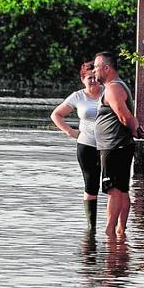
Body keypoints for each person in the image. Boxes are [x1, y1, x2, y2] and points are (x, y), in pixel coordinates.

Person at [51, 62, 104, 229]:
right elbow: (56, 115)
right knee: (91, 183)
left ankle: (113, 226)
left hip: (108, 144)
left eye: (96, 77)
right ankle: (91, 227)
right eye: (90, 78)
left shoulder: (108, 92)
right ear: (83, 80)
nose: (93, 81)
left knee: (111, 185)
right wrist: (70, 131)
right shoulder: (78, 96)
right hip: (86, 145)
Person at [94, 52, 140, 240]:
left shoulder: (113, 88)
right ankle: (120, 231)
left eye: (96, 67)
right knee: (121, 188)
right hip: (118, 145)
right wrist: (137, 130)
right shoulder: (116, 86)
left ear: (107, 68)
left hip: (114, 145)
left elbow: (124, 116)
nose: (94, 70)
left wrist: (135, 130)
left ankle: (109, 231)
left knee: (113, 189)